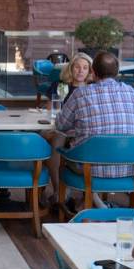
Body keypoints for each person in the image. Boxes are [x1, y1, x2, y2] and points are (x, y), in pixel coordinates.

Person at [55, 51, 134, 207]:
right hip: (129, 169)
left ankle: (74, 203)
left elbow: (61, 125)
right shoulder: (131, 92)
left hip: (89, 169)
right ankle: (92, 204)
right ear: (116, 73)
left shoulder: (81, 94)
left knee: (67, 152)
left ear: (93, 72)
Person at [42, 52, 93, 201]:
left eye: (85, 68)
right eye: (77, 67)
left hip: (82, 132)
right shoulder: (60, 85)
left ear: (90, 71)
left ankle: (82, 193)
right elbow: (50, 109)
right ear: (70, 69)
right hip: (60, 128)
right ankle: (59, 191)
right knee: (54, 140)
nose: (80, 71)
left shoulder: (93, 88)